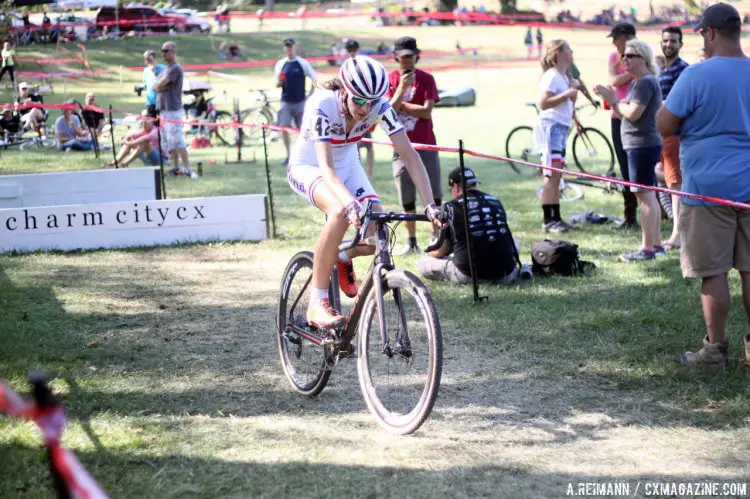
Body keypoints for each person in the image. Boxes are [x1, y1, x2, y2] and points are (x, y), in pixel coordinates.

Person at [286, 56, 440, 327]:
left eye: (371, 102)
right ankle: (317, 302)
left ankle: (342, 255)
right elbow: (327, 169)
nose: (365, 108)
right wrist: (349, 204)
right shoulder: (322, 105)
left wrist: (431, 205)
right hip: (310, 167)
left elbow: (409, 154)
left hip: (348, 166)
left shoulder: (378, 106)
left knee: (376, 237)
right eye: (358, 100)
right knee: (339, 212)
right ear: (344, 91)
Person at [656, 2, 750, 366]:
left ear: (709, 33)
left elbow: (665, 125)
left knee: (712, 273)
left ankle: (714, 351)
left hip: (708, 188)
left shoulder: (696, 75)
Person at [595, 40, 663, 262]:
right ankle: (655, 245)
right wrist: (615, 102)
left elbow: (633, 113)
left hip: (641, 145)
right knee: (648, 195)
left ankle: (647, 249)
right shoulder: (639, 82)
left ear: (643, 58)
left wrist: (613, 100)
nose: (624, 58)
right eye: (624, 55)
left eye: (630, 55)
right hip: (641, 144)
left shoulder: (644, 83)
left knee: (644, 197)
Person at [387, 36, 442, 255]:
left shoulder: (427, 79)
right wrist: (401, 89)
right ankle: (411, 241)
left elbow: (427, 111)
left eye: (411, 56)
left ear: (417, 56)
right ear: (396, 58)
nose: (407, 61)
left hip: (426, 143)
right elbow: (388, 111)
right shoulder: (390, 79)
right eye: (403, 58)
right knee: (406, 194)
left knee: (433, 194)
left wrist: (403, 105)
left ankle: (436, 237)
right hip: (401, 146)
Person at [418, 167, 519, 284]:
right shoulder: (496, 201)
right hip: (507, 273)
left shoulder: (451, 207)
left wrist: (429, 252)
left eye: (451, 189)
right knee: (514, 242)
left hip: (470, 275)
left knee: (423, 263)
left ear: (455, 187)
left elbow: (441, 251)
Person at [534, 39, 578, 234]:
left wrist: (571, 96)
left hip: (561, 127)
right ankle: (548, 219)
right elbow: (543, 103)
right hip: (551, 127)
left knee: (557, 174)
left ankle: (557, 217)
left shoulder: (563, 76)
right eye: (568, 48)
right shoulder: (551, 76)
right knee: (551, 174)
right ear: (558, 53)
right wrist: (567, 93)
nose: (572, 51)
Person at [657, 26, 689, 250]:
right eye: (666, 41)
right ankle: (674, 223)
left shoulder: (683, 70)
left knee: (676, 184)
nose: (669, 45)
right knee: (666, 180)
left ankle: (678, 234)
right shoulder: (662, 70)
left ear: (681, 44)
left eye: (673, 41)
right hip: (661, 136)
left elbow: (678, 106)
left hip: (675, 136)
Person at [607, 23, 639, 230]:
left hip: (637, 115)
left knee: (640, 164)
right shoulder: (614, 57)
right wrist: (633, 72)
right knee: (624, 165)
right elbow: (613, 80)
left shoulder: (640, 53)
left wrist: (630, 73)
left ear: (626, 37)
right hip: (617, 115)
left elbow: (647, 74)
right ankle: (630, 215)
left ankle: (651, 209)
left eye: (616, 38)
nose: (613, 42)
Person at [274, 38, 317, 166]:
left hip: (300, 102)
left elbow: (314, 79)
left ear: (294, 47)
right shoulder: (281, 64)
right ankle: (288, 155)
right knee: (283, 127)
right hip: (286, 101)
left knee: (304, 130)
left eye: (290, 46)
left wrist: (310, 96)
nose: (288, 48)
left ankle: (305, 156)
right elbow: (276, 83)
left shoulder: (302, 63)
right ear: (284, 48)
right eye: (286, 46)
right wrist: (279, 82)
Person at [153, 41, 192, 177]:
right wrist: (160, 86)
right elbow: (155, 86)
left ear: (174, 52)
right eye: (162, 50)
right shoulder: (164, 69)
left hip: (173, 110)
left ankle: (187, 168)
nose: (164, 53)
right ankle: (175, 167)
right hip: (163, 109)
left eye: (167, 50)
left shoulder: (176, 68)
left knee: (177, 140)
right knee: (169, 142)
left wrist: (160, 86)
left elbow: (161, 85)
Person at [344, 39, 376, 178]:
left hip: (365, 109)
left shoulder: (364, 66)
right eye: (350, 50)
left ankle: (369, 173)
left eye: (354, 50)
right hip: (351, 112)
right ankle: (358, 172)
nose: (352, 53)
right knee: (354, 146)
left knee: (368, 145)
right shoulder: (345, 68)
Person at [142, 50, 165, 118]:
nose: (147, 61)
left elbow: (166, 83)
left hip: (161, 102)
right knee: (152, 125)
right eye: (146, 59)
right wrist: (140, 87)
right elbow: (146, 85)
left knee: (161, 125)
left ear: (154, 58)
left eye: (149, 59)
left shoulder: (162, 68)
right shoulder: (146, 70)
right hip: (150, 102)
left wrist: (155, 71)